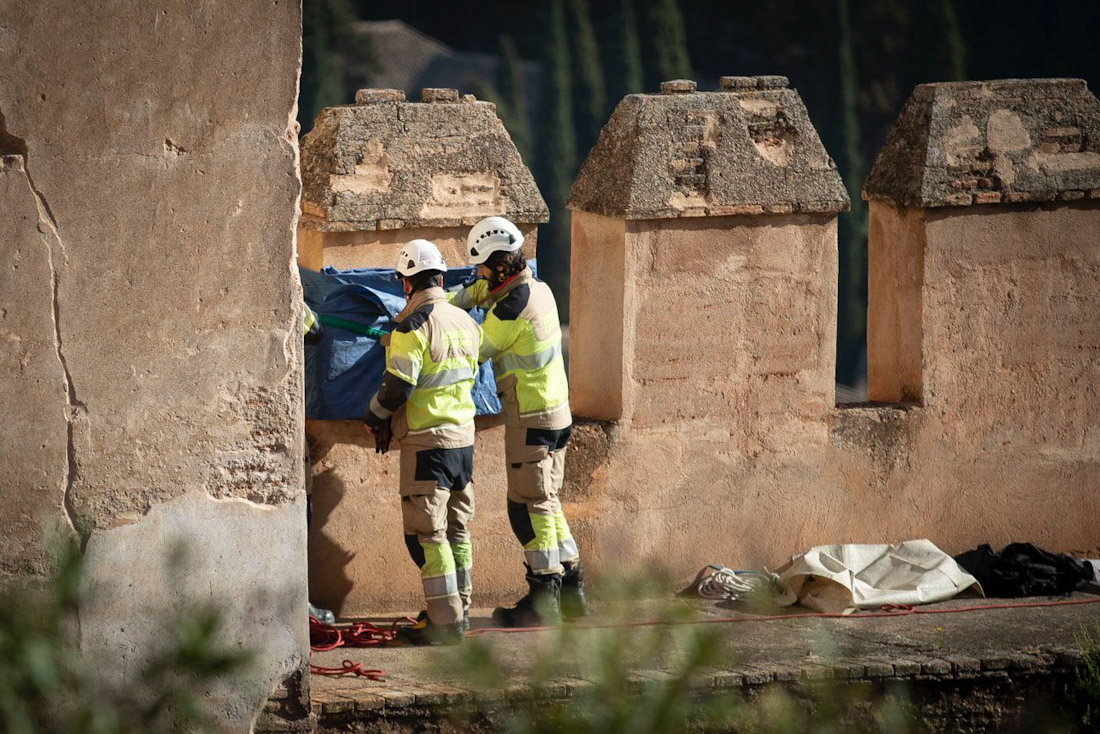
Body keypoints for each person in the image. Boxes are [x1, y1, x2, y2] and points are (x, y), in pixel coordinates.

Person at [449, 216, 589, 627]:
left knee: (527, 508)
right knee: (547, 501)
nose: (477, 273)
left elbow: (471, 350)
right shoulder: (537, 288)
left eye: (481, 267)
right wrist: (463, 296)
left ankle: (543, 601)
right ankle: (573, 591)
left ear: (497, 266)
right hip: (556, 413)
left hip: (531, 419)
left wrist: (437, 322)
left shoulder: (510, 310)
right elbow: (484, 291)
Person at [363, 240, 482, 645]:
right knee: (457, 530)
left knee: (426, 534)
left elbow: (398, 387)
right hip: (462, 440)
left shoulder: (412, 327)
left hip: (427, 442)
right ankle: (460, 610)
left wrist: (373, 416)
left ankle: (444, 623)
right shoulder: (466, 321)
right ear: (441, 279)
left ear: (405, 283)